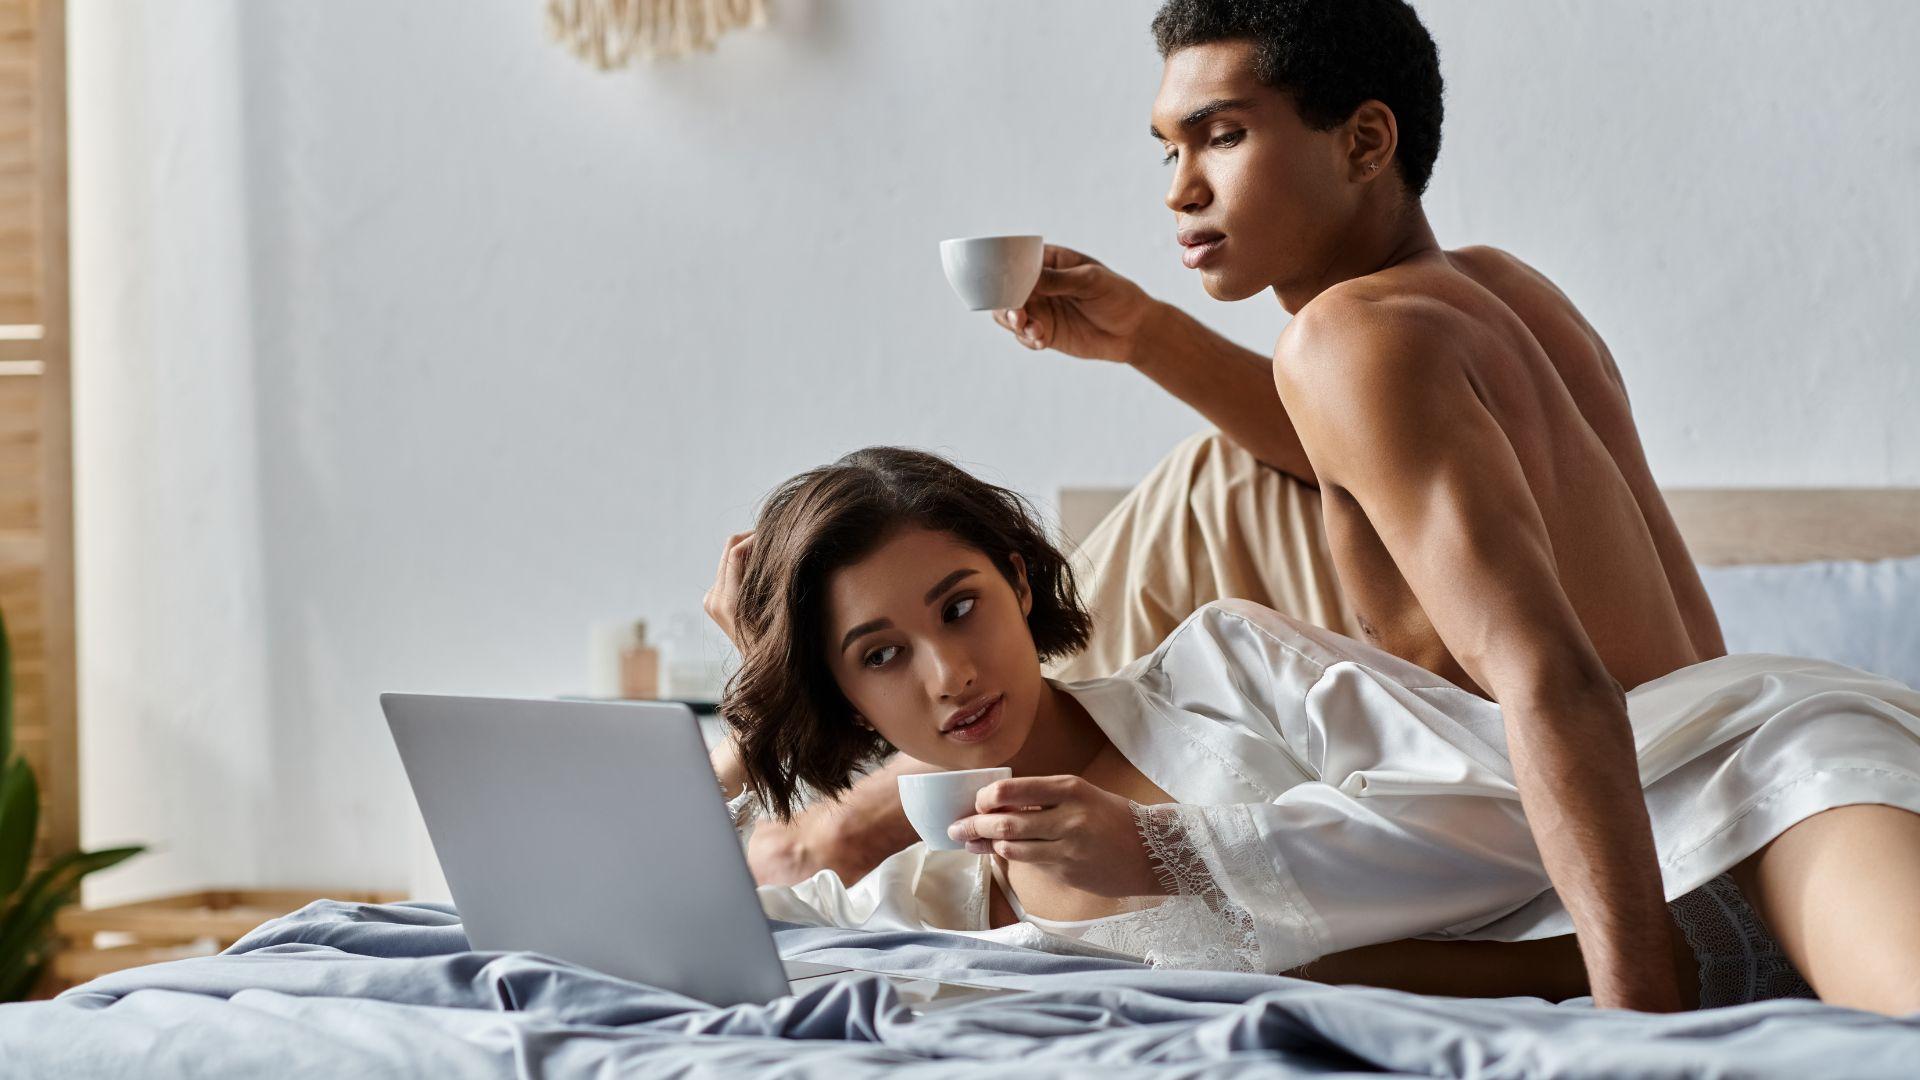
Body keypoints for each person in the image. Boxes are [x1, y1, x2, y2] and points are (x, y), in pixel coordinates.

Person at [738, 0, 1737, 1010]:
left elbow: (1553, 682)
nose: (1181, 192)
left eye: (1222, 135)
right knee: (1204, 491)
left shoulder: (1360, 342)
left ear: (1365, 141)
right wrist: (1140, 332)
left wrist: (1635, 1019)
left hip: (1614, 808)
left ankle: (854, 768)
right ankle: (870, 731)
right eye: (1169, 149)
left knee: (1207, 489)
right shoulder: (1495, 295)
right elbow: (1346, 439)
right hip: (1682, 755)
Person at [707, 447, 1920, 1015]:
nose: (948, 671)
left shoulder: (1228, 661)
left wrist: (1164, 851)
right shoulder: (943, 897)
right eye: (880, 657)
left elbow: (1518, 820)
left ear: (1019, 578)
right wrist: (746, 687)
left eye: (960, 606)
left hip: (1745, 813)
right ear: (849, 697)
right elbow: (709, 908)